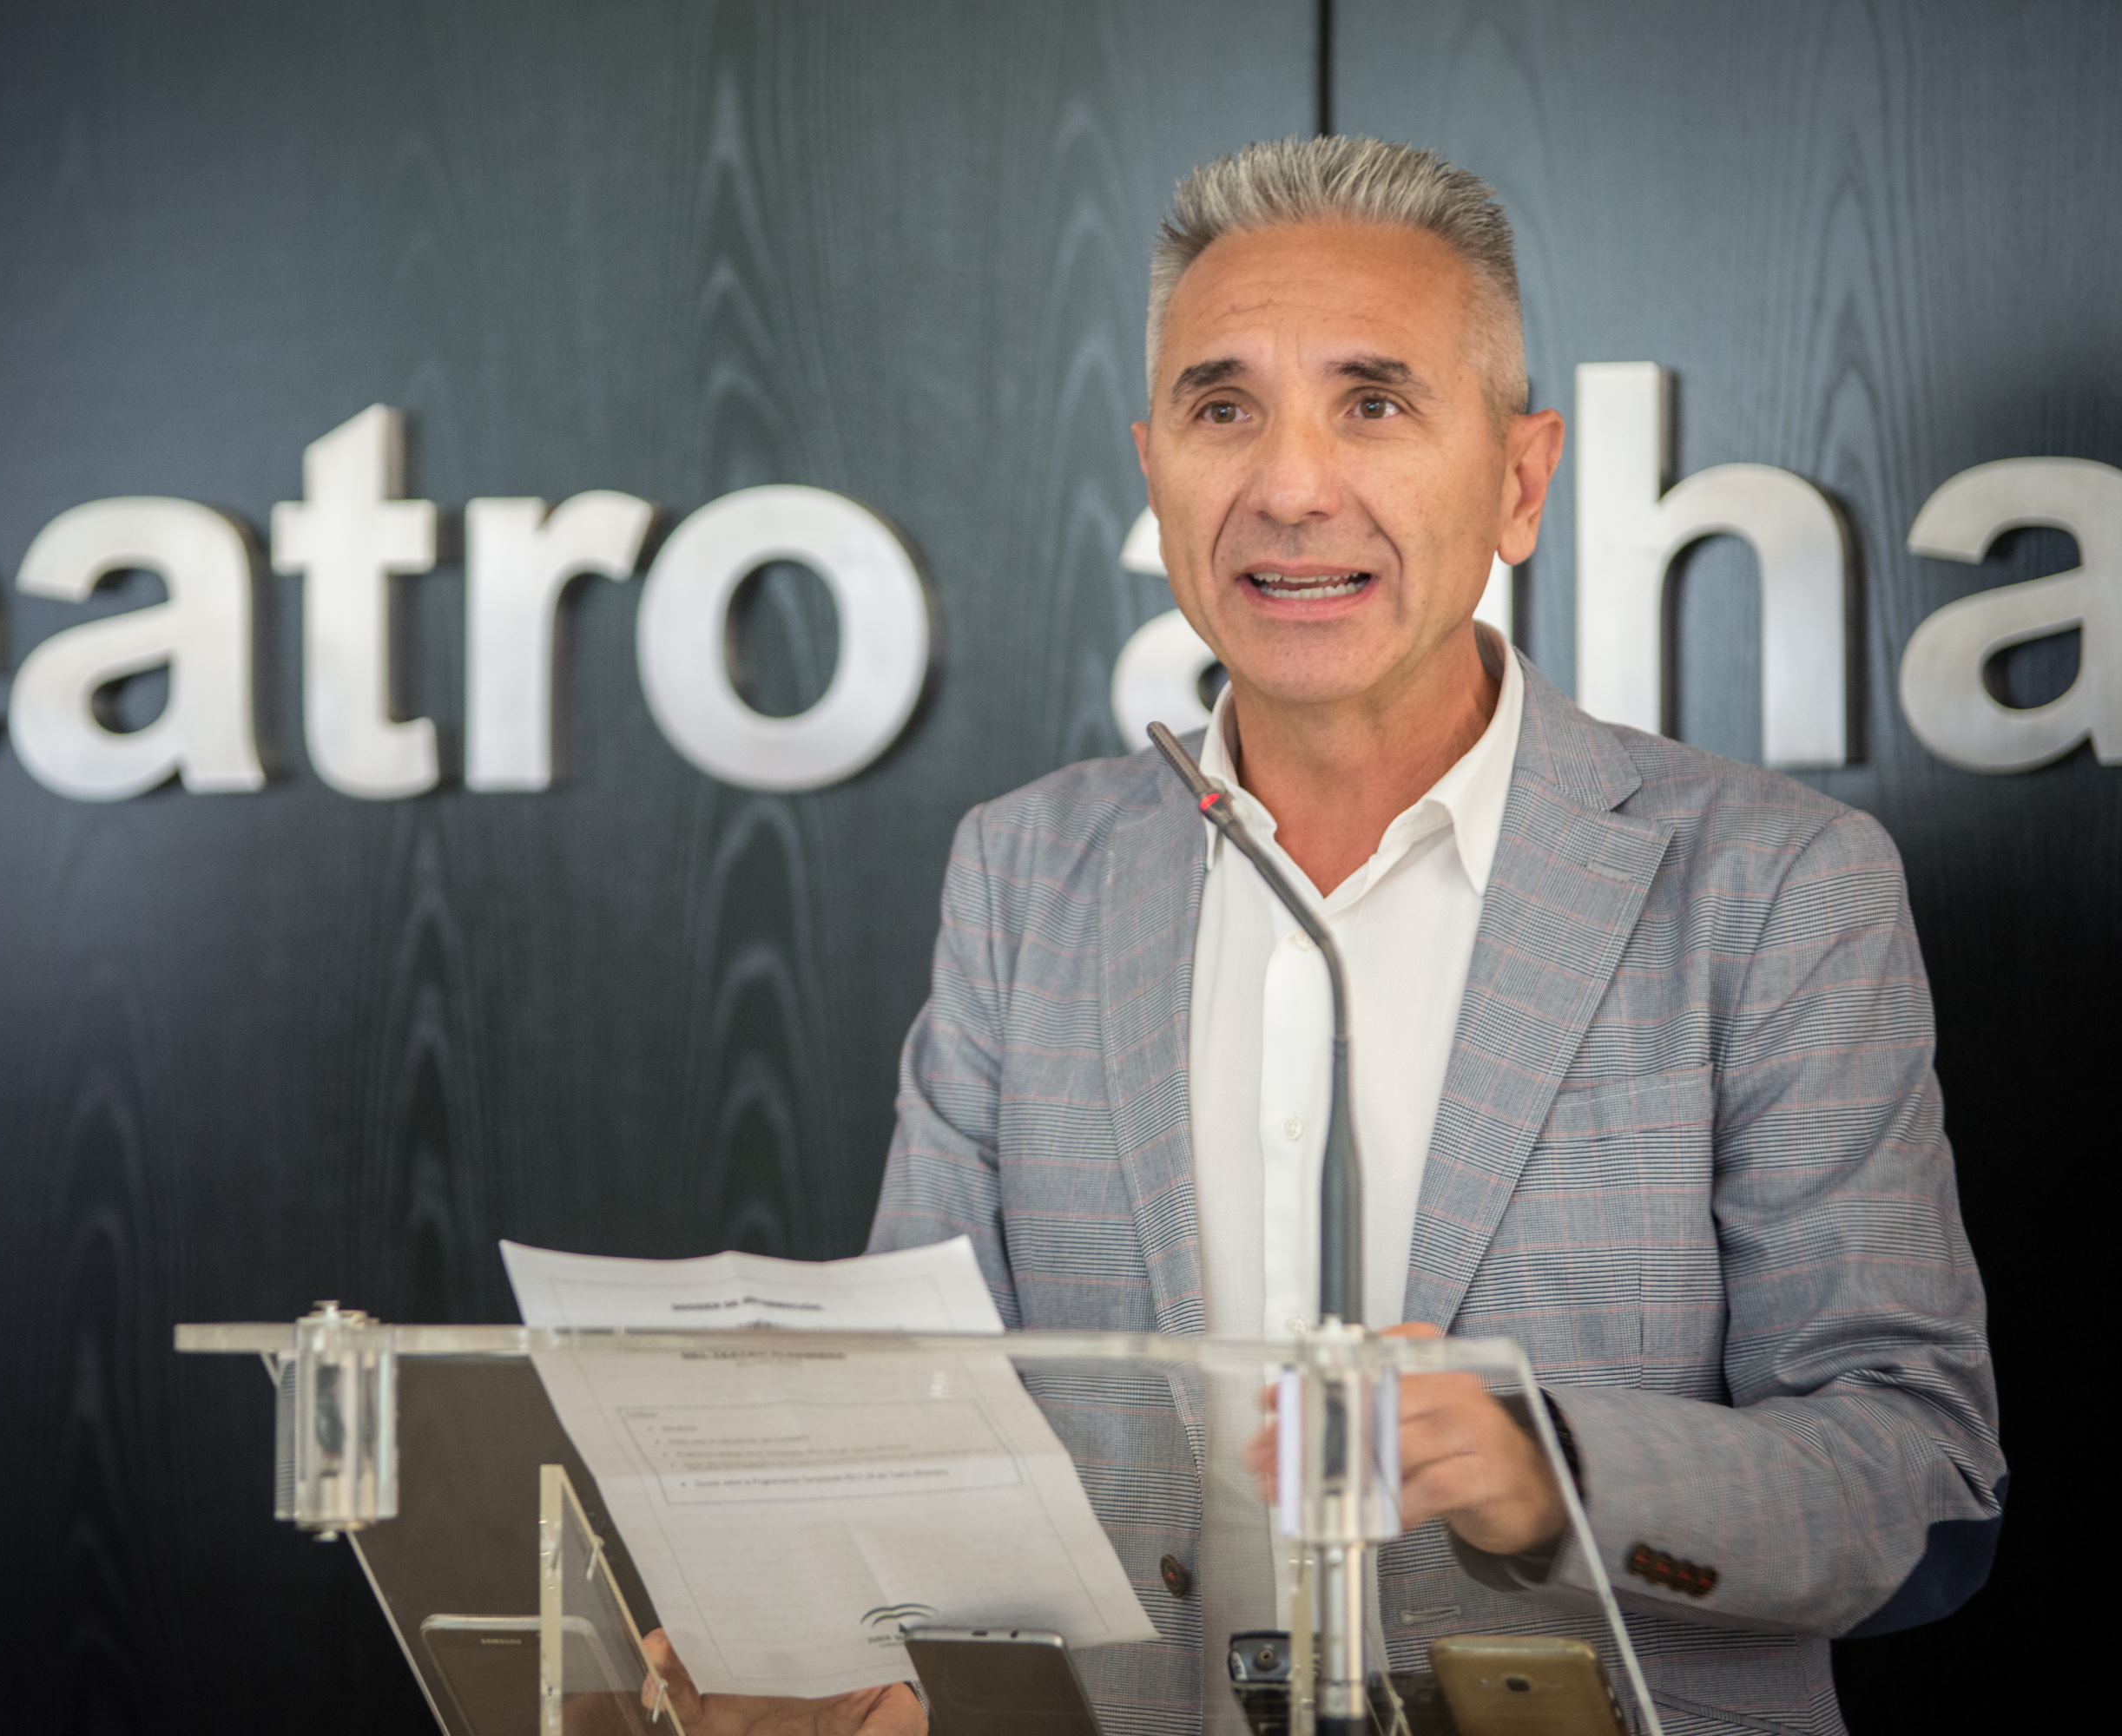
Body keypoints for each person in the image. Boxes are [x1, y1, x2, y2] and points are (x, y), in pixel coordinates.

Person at [855, 135, 2003, 1736]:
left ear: (1521, 483)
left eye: (1375, 403)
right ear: (1154, 470)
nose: (1290, 487)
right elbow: (911, 1418)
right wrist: (855, 1666)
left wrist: (1552, 1469)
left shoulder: (1775, 886)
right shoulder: (1024, 873)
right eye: (1222, 409)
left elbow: (1919, 1482)